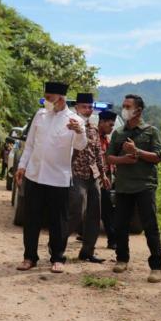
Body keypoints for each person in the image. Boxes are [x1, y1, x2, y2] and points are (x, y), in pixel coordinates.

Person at [15, 81, 87, 274]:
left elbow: (81, 145)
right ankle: (29, 257)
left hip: (58, 179)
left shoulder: (75, 120)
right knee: (31, 219)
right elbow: (30, 144)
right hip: (35, 175)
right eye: (45, 97)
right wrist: (22, 166)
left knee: (58, 221)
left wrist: (79, 132)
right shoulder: (40, 115)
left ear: (60, 99)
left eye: (49, 98)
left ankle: (57, 258)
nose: (46, 101)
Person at [106, 94, 161, 283]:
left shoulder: (151, 131)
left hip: (144, 185)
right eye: (123, 105)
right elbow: (109, 157)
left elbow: (157, 157)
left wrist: (137, 152)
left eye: (127, 106)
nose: (124, 109)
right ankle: (122, 259)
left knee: (150, 226)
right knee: (120, 225)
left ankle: (156, 267)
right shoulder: (118, 133)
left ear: (138, 110)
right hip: (123, 186)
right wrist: (123, 159)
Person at [68, 93, 111, 263]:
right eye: (84, 106)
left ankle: (87, 251)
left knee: (95, 213)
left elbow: (98, 153)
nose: (87, 109)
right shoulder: (69, 125)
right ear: (77, 107)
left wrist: (103, 173)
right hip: (75, 174)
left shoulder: (93, 128)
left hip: (93, 176)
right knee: (76, 210)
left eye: (90, 106)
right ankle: (57, 246)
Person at [98, 110, 118, 250]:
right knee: (105, 210)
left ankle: (112, 240)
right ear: (102, 122)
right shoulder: (93, 138)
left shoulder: (106, 139)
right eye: (110, 125)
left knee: (106, 209)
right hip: (96, 179)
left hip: (106, 180)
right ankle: (112, 240)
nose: (112, 128)